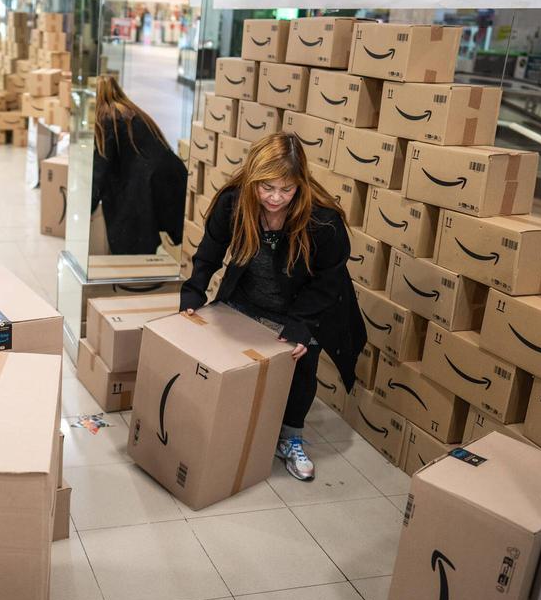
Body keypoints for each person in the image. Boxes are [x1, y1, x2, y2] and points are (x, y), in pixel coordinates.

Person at [180, 132, 366, 482]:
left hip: (305, 306)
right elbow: (211, 249)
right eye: (267, 188)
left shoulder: (322, 219)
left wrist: (301, 324)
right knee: (236, 363)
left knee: (301, 369)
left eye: (287, 189)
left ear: (300, 183)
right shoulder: (234, 203)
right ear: (253, 179)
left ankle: (291, 437)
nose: (276, 198)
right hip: (248, 297)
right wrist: (193, 292)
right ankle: (238, 428)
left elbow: (328, 280)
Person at [90, 76, 186, 255]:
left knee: (132, 246)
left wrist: (87, 205)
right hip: (168, 178)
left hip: (147, 184)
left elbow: (101, 166)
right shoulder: (131, 111)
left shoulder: (107, 117)